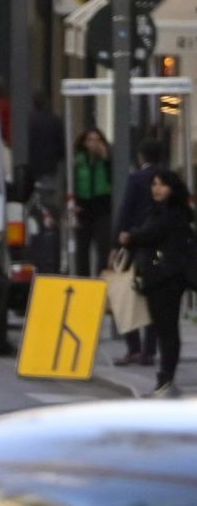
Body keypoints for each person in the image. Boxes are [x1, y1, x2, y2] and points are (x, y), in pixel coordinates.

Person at [119, 168, 191, 398]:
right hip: (160, 277)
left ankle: (166, 380)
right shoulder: (160, 210)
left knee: (167, 329)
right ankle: (165, 380)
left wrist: (130, 236)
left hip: (166, 277)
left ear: (173, 188)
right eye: (154, 185)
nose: (157, 189)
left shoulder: (172, 213)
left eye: (162, 185)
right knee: (164, 329)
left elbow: (151, 233)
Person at [116, 137, 168, 368]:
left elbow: (126, 210)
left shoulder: (136, 179)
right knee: (154, 297)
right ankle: (149, 350)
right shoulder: (168, 180)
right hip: (161, 245)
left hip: (137, 244)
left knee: (127, 296)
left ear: (141, 156)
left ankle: (134, 348)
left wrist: (116, 242)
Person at [72, 126, 114, 277]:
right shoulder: (77, 161)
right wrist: (74, 204)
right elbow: (71, 184)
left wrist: (106, 158)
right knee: (82, 250)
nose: (94, 143)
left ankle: (102, 280)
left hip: (103, 209)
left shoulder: (107, 159)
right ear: (84, 143)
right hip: (83, 209)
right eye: (90, 140)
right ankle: (83, 281)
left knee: (103, 249)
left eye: (97, 140)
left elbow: (114, 179)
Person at [27, 92, 67, 190]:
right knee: (47, 194)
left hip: (31, 165)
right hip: (49, 165)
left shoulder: (29, 121)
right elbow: (61, 145)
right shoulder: (55, 120)